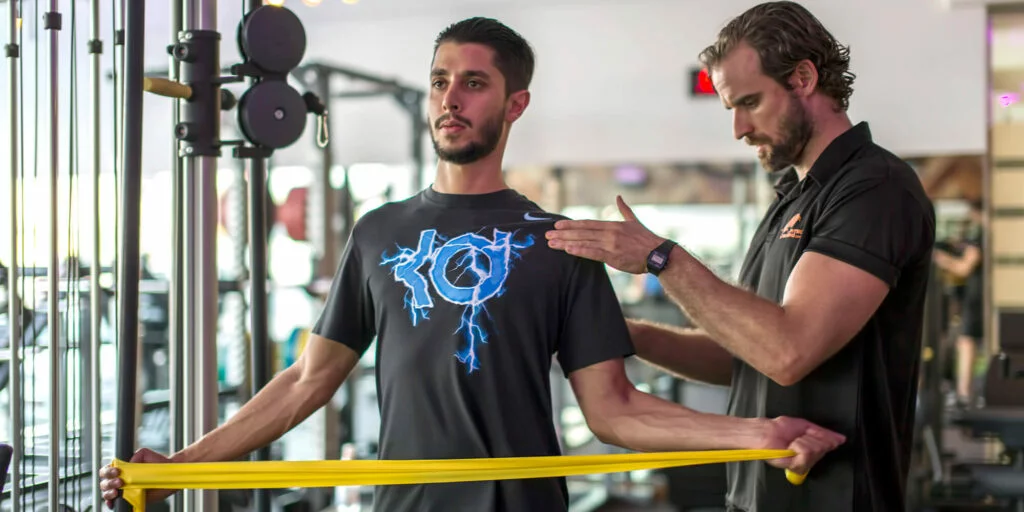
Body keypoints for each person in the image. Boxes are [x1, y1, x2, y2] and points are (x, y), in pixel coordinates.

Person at [99, 16, 845, 512]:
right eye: (439, 81)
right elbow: (305, 382)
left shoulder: (562, 244)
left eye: (474, 83)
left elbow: (615, 413)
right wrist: (178, 466)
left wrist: (756, 432)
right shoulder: (376, 233)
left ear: (515, 105)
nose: (450, 99)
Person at [546, 3, 936, 511]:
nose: (738, 128)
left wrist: (661, 258)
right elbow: (747, 356)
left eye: (750, 102)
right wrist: (627, 335)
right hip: (755, 496)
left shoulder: (873, 190)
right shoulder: (791, 201)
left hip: (834, 498)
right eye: (731, 107)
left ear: (803, 78)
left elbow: (787, 352)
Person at [933, 199, 984, 408]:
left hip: (976, 296)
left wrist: (941, 258)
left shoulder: (981, 236)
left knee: (967, 341)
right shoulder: (981, 235)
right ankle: (964, 391)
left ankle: (964, 392)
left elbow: (964, 267)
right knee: (965, 341)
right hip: (975, 295)